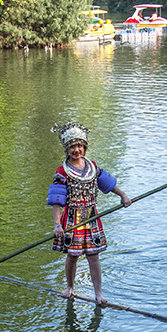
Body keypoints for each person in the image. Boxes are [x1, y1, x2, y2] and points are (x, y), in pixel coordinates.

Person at [47, 122, 131, 305]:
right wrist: (57, 224)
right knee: (73, 255)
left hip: (92, 217)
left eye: (79, 146)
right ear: (67, 149)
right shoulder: (62, 172)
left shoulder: (92, 167)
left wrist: (123, 195)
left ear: (84, 147)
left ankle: (98, 293)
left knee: (93, 256)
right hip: (72, 219)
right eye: (72, 147)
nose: (76, 150)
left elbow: (108, 184)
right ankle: (70, 287)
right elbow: (56, 200)